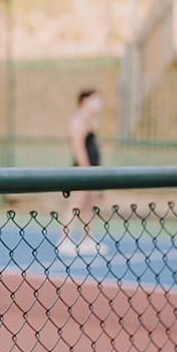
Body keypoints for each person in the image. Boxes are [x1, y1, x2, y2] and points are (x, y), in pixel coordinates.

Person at [61, 88, 106, 257]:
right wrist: (86, 170)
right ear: (85, 101)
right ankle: (64, 239)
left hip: (92, 169)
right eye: (96, 100)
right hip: (83, 170)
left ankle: (87, 239)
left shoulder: (90, 121)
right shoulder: (77, 121)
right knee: (77, 203)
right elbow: (79, 149)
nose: (100, 105)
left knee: (90, 204)